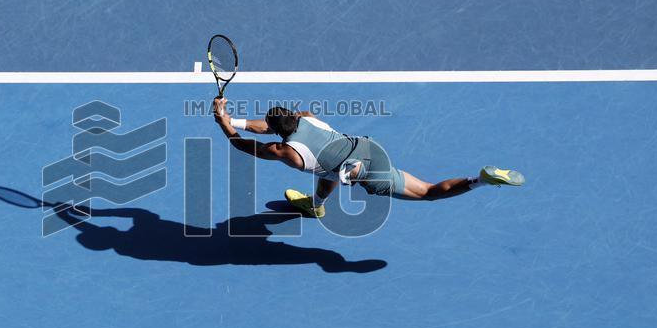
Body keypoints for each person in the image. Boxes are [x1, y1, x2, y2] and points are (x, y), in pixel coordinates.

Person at [212, 96, 524, 218]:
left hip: (368, 169)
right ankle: (316, 206)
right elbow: (265, 127)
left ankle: (479, 181)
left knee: (428, 192)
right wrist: (235, 119)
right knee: (326, 170)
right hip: (367, 149)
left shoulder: (287, 153)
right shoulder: (306, 116)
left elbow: (243, 145)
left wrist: (224, 124)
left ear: (276, 134)